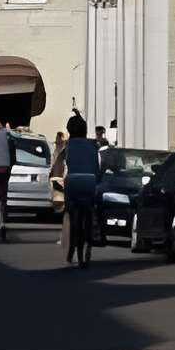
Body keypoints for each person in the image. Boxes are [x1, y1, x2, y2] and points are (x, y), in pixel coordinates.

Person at [62, 112, 102, 267]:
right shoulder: (93, 146)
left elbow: (64, 169)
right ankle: (87, 246)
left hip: (73, 183)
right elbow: (98, 168)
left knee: (73, 218)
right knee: (88, 216)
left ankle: (73, 250)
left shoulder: (68, 146)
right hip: (90, 182)